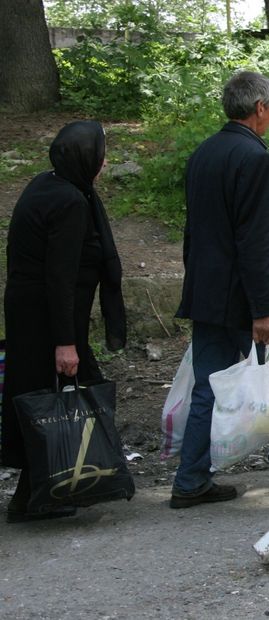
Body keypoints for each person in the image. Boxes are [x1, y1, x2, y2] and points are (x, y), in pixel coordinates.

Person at [172, 71, 269, 508]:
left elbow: (194, 233)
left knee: (207, 386)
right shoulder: (253, 157)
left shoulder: (204, 152)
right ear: (260, 108)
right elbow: (254, 240)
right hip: (243, 296)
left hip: (206, 290)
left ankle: (190, 481)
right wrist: (263, 309)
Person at [2, 121, 127, 523]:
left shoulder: (47, 184)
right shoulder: (71, 202)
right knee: (59, 400)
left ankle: (36, 493)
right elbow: (60, 276)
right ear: (83, 157)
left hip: (30, 312)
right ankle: (65, 484)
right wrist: (65, 342)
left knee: (45, 399)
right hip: (48, 318)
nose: (104, 160)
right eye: (101, 152)